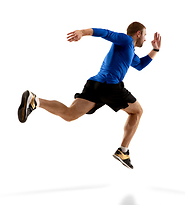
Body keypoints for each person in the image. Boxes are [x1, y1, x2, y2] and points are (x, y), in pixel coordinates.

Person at [18, 22, 161, 169]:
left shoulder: (129, 50)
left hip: (96, 84)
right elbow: (106, 33)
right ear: (138, 33)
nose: (145, 39)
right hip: (110, 86)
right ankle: (123, 151)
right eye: (144, 35)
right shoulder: (126, 40)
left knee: (69, 114)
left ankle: (35, 101)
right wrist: (82, 32)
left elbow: (140, 65)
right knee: (137, 111)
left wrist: (155, 49)